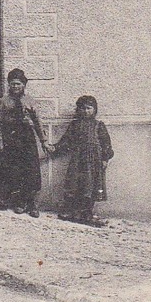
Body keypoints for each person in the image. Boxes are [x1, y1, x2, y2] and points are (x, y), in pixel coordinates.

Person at [0, 69, 48, 217]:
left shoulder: (30, 100)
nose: (15, 87)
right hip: (11, 139)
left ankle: (32, 204)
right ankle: (19, 202)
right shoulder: (4, 101)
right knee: (15, 171)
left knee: (31, 171)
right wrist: (0, 141)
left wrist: (43, 141)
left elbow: (38, 122)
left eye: (18, 84)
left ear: (24, 84)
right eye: (12, 84)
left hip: (27, 139)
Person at [52, 95, 113, 226]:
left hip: (93, 161)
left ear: (94, 110)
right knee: (74, 183)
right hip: (78, 159)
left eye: (89, 108)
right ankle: (73, 211)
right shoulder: (74, 125)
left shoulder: (99, 125)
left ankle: (87, 212)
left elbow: (106, 143)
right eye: (83, 109)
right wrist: (55, 148)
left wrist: (105, 158)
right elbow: (66, 140)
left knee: (90, 185)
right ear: (78, 110)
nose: (86, 111)